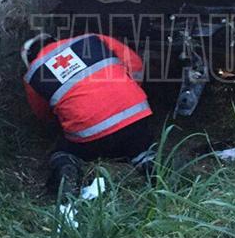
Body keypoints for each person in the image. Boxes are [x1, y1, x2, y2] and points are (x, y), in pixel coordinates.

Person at [21, 32, 155, 195]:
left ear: (30, 59)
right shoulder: (91, 39)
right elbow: (135, 64)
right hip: (135, 117)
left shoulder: (34, 72)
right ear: (55, 40)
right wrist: (127, 92)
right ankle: (149, 163)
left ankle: (66, 169)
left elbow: (44, 115)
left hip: (90, 134)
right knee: (139, 145)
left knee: (62, 152)